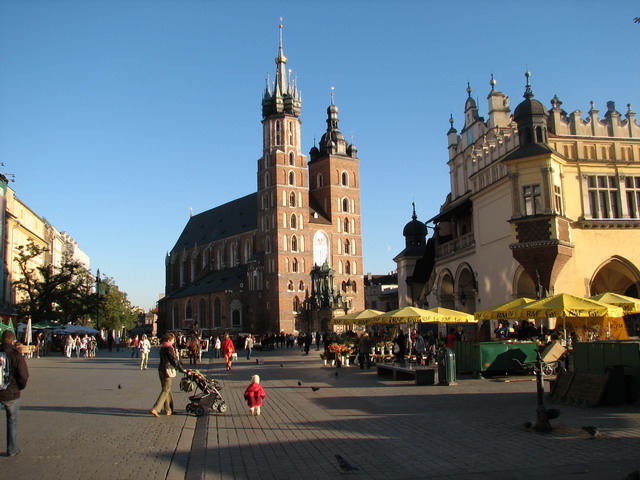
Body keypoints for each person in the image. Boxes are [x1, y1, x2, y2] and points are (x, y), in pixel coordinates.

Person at [0, 330, 29, 457]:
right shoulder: (16, 355)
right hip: (11, 393)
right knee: (12, 421)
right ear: (12, 341)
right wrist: (20, 387)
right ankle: (11, 449)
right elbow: (23, 375)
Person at [150, 332, 185, 417]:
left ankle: (169, 409)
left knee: (167, 389)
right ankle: (156, 408)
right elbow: (174, 360)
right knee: (165, 390)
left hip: (161, 369)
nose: (174, 341)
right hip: (167, 370)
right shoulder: (169, 348)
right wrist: (181, 369)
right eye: (173, 340)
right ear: (169, 340)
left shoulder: (163, 347)